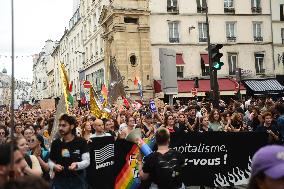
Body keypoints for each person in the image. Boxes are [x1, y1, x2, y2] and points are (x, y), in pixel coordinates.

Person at [48, 114, 90, 189]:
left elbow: (87, 161)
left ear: (72, 126)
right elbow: (50, 161)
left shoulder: (81, 141)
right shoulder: (56, 143)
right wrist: (54, 166)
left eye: (64, 125)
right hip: (60, 181)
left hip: (78, 180)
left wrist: (77, 165)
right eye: (60, 125)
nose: (60, 128)